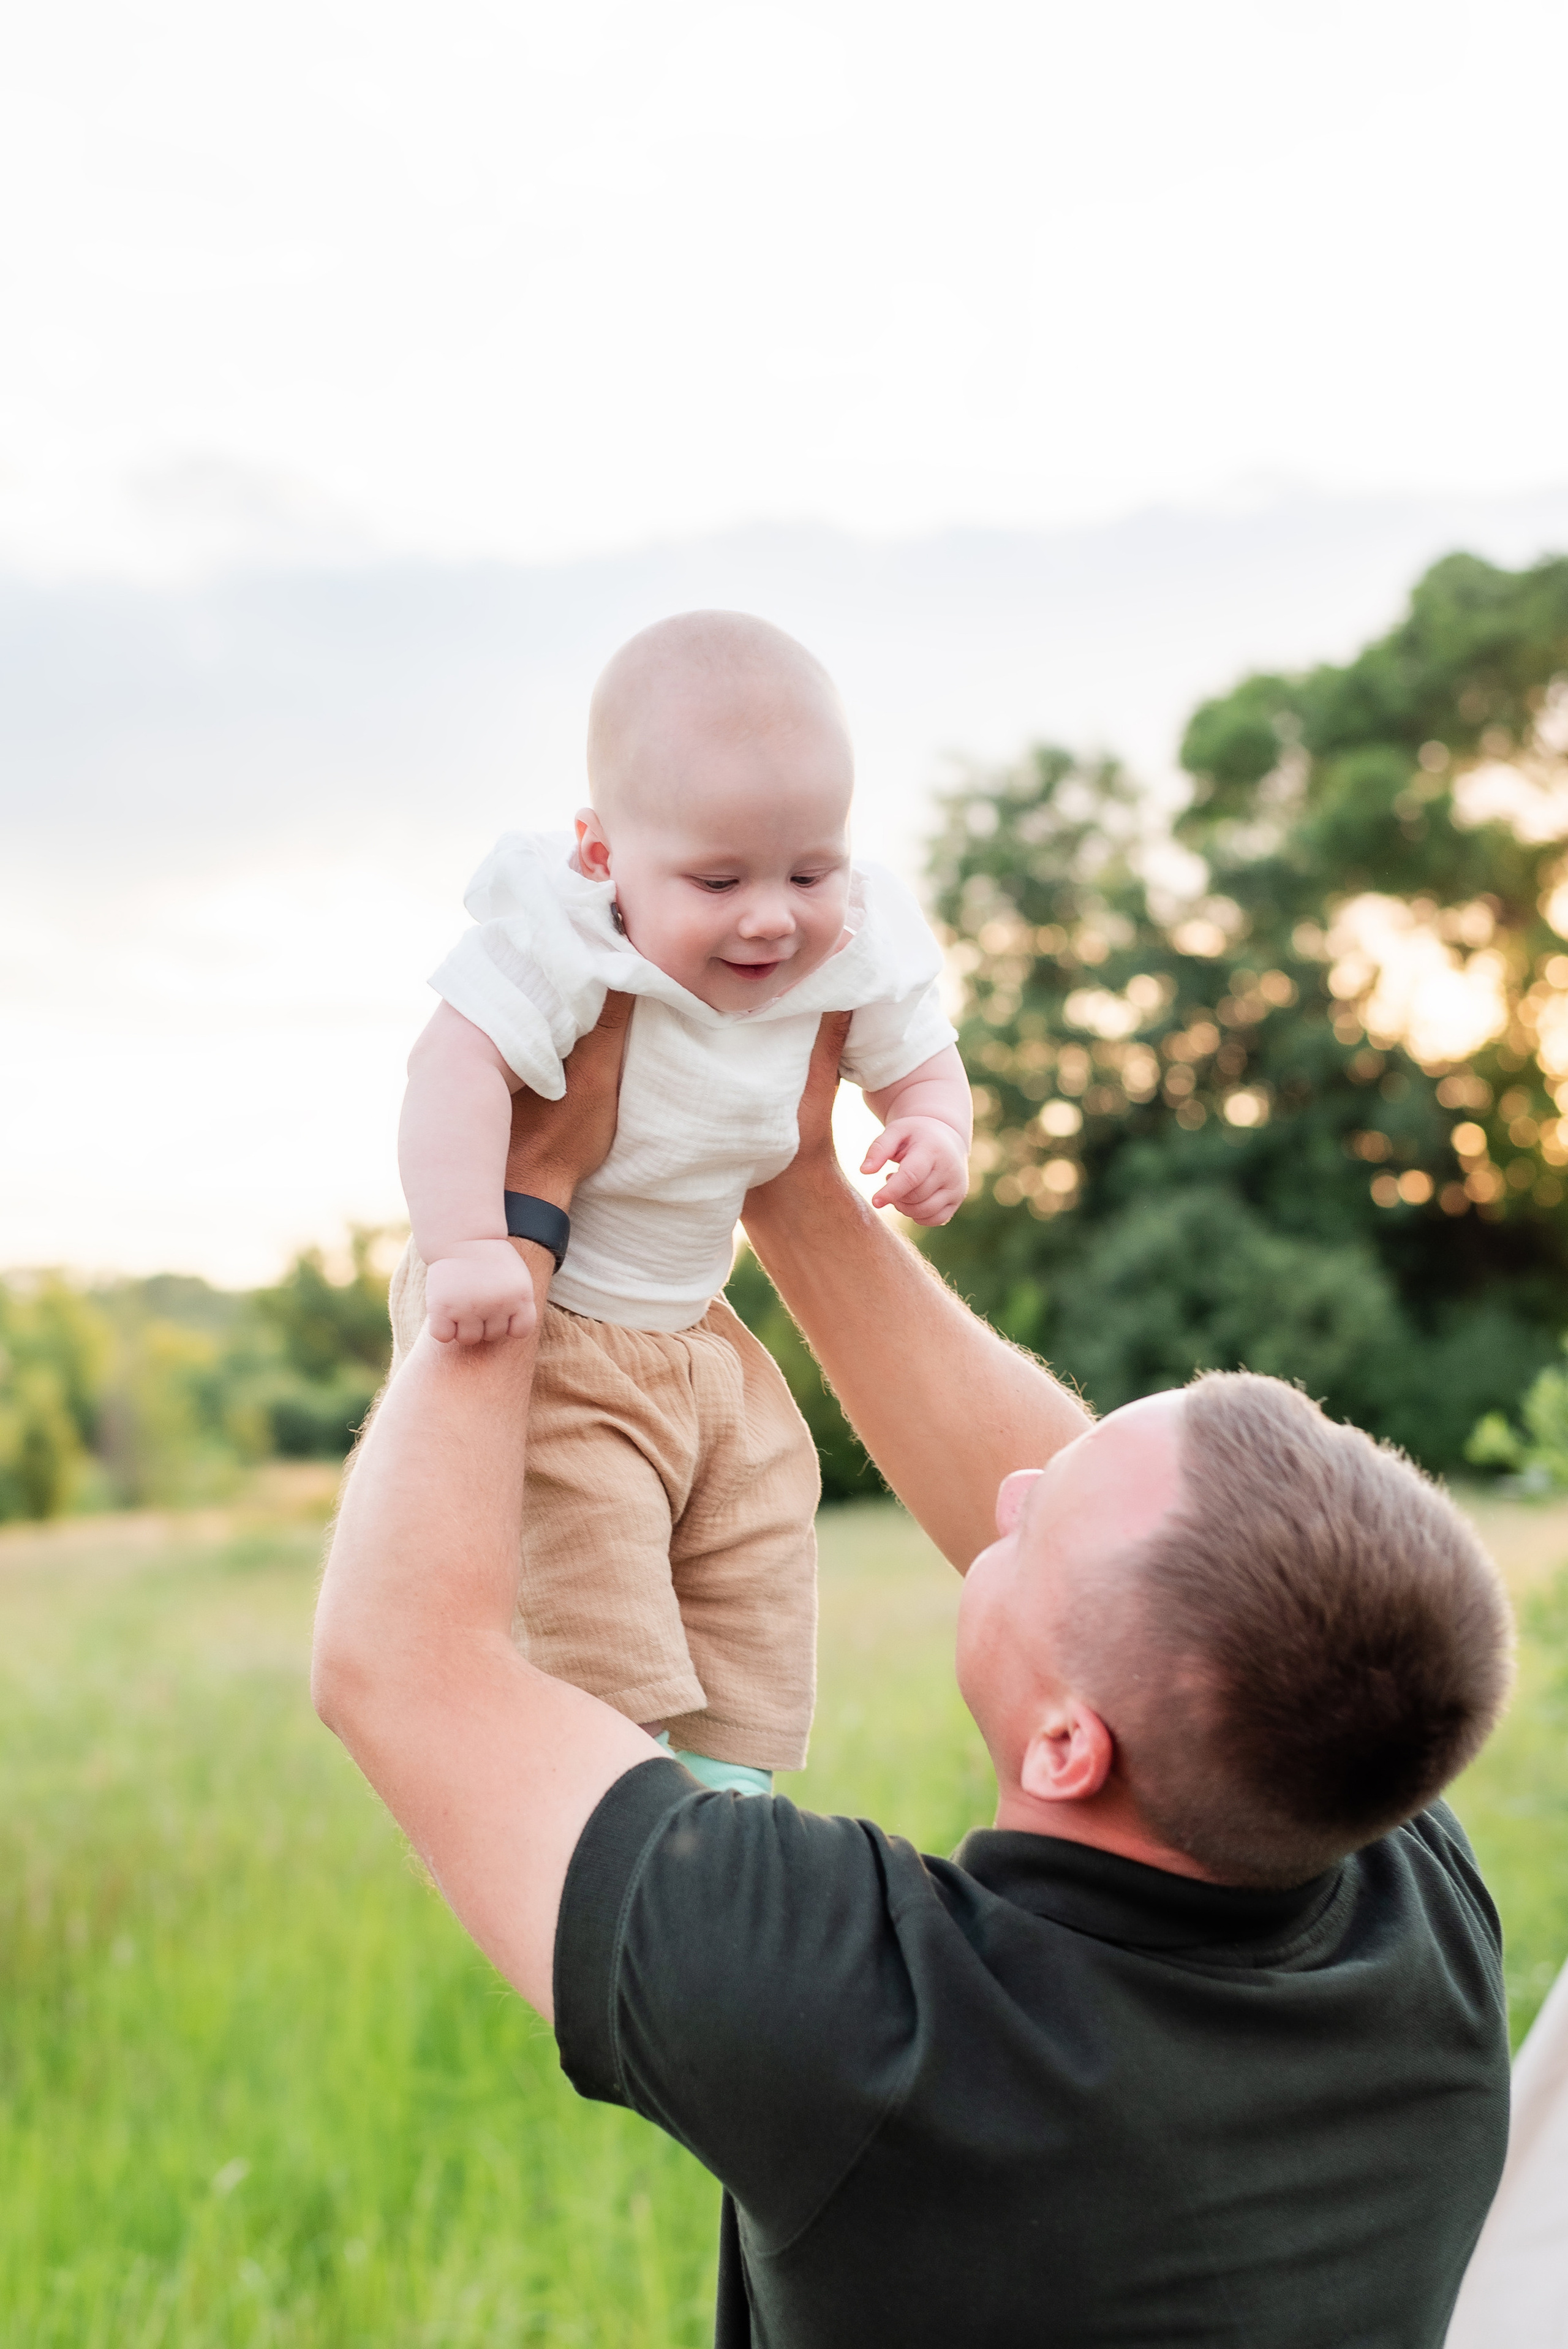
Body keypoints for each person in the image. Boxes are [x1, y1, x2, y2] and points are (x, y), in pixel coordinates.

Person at [314, 1002, 1514, 2348]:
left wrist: (516, 1213)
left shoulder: (872, 2032)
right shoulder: (1399, 1886)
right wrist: (790, 1175)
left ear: (1069, 1748)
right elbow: (1174, 1597)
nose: (1006, 1488)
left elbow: (402, 1669)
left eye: (1038, 1519)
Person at [391, 610, 971, 1792]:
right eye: (719, 879)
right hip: (543, 1319)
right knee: (591, 1566)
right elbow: (449, 1068)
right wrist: (463, 1246)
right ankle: (613, 1795)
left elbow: (918, 1049)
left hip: (697, 1330)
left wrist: (933, 1126)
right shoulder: (563, 936)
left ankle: (731, 1796)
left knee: (760, 1525)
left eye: (809, 870)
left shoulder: (851, 935)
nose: (771, 915)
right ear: (604, 855)